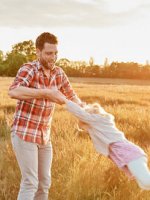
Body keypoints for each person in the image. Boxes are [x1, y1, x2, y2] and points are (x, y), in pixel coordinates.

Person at [8, 32, 82, 200]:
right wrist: (46, 93)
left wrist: (87, 112)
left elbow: (72, 96)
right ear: (38, 52)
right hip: (24, 133)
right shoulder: (29, 69)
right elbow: (13, 91)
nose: (53, 57)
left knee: (44, 183)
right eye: (49, 53)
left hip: (44, 137)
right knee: (30, 182)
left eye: (56, 53)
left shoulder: (59, 73)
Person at [64, 99, 150, 190]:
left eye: (85, 125)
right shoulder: (100, 129)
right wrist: (126, 170)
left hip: (132, 154)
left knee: (146, 181)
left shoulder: (102, 120)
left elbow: (83, 115)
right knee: (144, 185)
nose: (86, 129)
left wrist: (65, 100)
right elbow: (115, 157)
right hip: (130, 157)